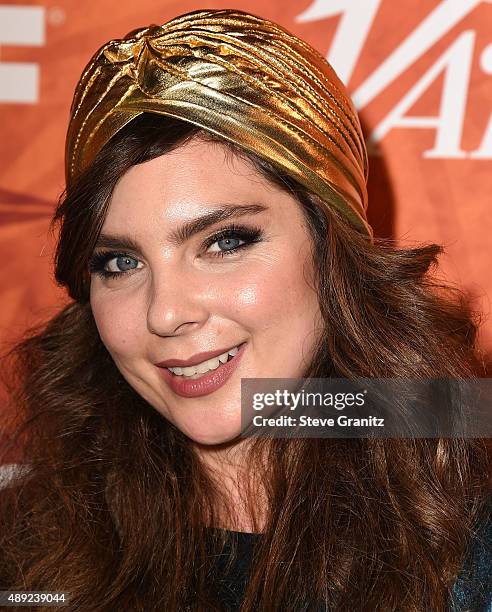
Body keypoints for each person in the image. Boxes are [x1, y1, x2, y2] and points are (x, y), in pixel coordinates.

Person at [0, 8, 490, 611]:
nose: (166, 313)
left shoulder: (468, 501)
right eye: (120, 263)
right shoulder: (26, 543)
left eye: (225, 241)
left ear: (333, 247)